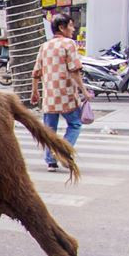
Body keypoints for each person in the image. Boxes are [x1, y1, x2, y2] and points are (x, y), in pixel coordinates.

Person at [30, 13, 93, 172]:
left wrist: (35, 91)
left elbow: (36, 72)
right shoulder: (69, 44)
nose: (73, 29)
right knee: (75, 124)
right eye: (70, 25)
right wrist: (84, 91)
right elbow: (74, 70)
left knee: (50, 130)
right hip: (66, 95)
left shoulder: (45, 46)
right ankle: (63, 151)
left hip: (49, 96)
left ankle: (51, 161)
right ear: (61, 27)